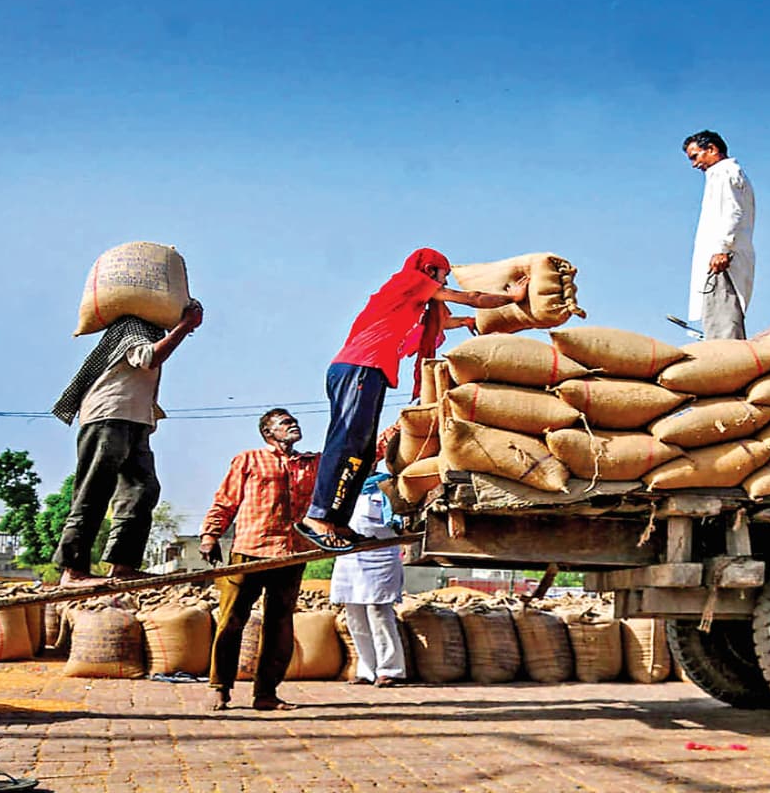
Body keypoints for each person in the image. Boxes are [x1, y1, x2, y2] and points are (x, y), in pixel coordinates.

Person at [298, 247, 528, 552]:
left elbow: (439, 322)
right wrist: (512, 297)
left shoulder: (415, 300)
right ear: (431, 270)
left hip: (370, 372)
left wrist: (464, 322)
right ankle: (317, 517)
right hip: (359, 367)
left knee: (364, 452)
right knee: (347, 441)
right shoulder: (411, 280)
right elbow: (471, 297)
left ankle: (339, 521)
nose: (444, 282)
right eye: (444, 275)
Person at [51, 300, 203, 587]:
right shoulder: (131, 325)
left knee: (143, 490)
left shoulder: (153, 330)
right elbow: (148, 358)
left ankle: (123, 565)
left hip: (135, 421)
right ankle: (72, 570)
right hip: (109, 414)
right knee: (94, 490)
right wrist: (184, 327)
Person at [198, 407, 320, 711]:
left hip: (291, 552)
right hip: (249, 551)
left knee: (280, 625)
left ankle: (266, 693)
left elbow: (353, 457)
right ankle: (220, 687)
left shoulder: (311, 463)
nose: (294, 425)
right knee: (231, 621)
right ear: (269, 433)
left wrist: (396, 428)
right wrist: (210, 535)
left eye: (295, 421)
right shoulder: (249, 459)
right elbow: (226, 500)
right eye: (285, 423)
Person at [330, 471, 407, 687]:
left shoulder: (388, 485)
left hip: (381, 554)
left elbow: (401, 520)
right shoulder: (343, 487)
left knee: (378, 611)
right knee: (354, 614)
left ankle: (390, 669)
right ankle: (366, 670)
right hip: (350, 557)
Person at [684, 129, 756, 340]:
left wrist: (722, 250)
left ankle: (727, 366)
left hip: (723, 260)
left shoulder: (724, 172)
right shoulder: (724, 174)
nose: (694, 164)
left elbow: (733, 212)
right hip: (721, 257)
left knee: (723, 323)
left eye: (695, 157)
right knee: (717, 319)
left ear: (712, 149)